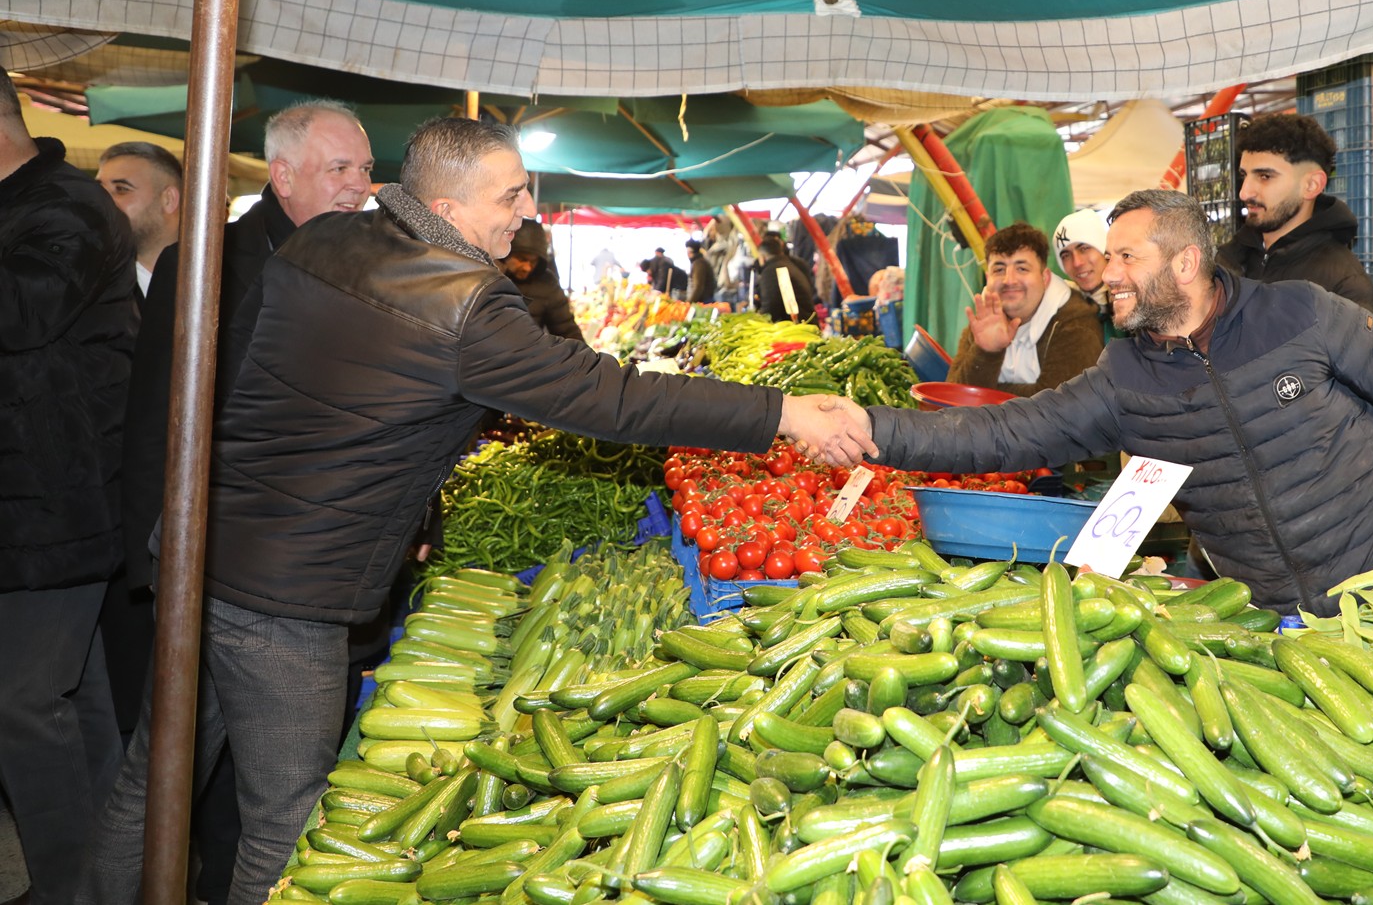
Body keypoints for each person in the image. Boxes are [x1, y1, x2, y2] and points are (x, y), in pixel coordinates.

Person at [80, 118, 871, 905]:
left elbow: (329, 402)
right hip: (290, 597)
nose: (526, 209)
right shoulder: (466, 303)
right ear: (449, 208)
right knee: (290, 829)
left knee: (152, 782)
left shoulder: (323, 242)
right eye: (511, 193)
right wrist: (782, 413)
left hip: (204, 552)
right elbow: (615, 398)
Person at [847, 189, 1373, 617]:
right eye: (1109, 257)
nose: (1108, 273)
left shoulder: (1299, 313)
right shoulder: (1123, 374)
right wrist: (872, 428)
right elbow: (1006, 433)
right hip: (1267, 618)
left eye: (1127, 256)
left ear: (1185, 262)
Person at [106, 99, 375, 905]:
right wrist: (158, 572)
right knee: (206, 793)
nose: (360, 186)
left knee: (176, 780)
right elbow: (155, 426)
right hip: (229, 567)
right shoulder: (207, 266)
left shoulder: (356, 260)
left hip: (282, 569)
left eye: (365, 168)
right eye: (341, 169)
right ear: (282, 175)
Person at [0, 70, 136, 905]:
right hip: (36, 503)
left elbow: (20, 312)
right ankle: (113, 878)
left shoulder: (70, 206)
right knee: (76, 704)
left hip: (57, 503)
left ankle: (69, 891)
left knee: (20, 703)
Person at [1215, 112, 1373, 315]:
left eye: (1265, 176)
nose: (1245, 192)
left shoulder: (1342, 285)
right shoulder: (1227, 261)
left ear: (1311, 185)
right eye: (1244, 176)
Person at [947, 222, 1102, 397]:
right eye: (999, 269)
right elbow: (955, 397)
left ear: (1044, 278)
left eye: (1022, 268)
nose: (1009, 280)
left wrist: (986, 393)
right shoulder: (985, 320)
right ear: (988, 278)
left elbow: (1059, 408)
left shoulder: (1076, 325)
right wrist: (986, 352)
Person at [96, 140, 183, 297]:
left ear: (168, 199)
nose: (102, 201)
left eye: (121, 189)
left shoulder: (221, 281)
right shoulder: (89, 285)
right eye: (99, 190)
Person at [503, 219, 584, 340]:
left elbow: (567, 329)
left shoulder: (547, 284)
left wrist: (587, 358)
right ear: (507, 253)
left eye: (533, 261)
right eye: (521, 259)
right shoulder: (488, 278)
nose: (527, 267)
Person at [1051, 207, 1115, 335]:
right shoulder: (1059, 307)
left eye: (1084, 249)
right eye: (1066, 256)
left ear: (1105, 250)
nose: (1077, 263)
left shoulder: (1136, 297)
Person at [755, 231, 814, 323]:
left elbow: (770, 308)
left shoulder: (771, 271)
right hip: (805, 321)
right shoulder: (788, 264)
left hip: (797, 327)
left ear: (763, 256)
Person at [685, 238, 716, 304]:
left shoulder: (698, 264)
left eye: (688, 252)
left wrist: (689, 302)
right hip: (704, 299)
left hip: (703, 302)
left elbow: (698, 286)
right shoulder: (700, 261)